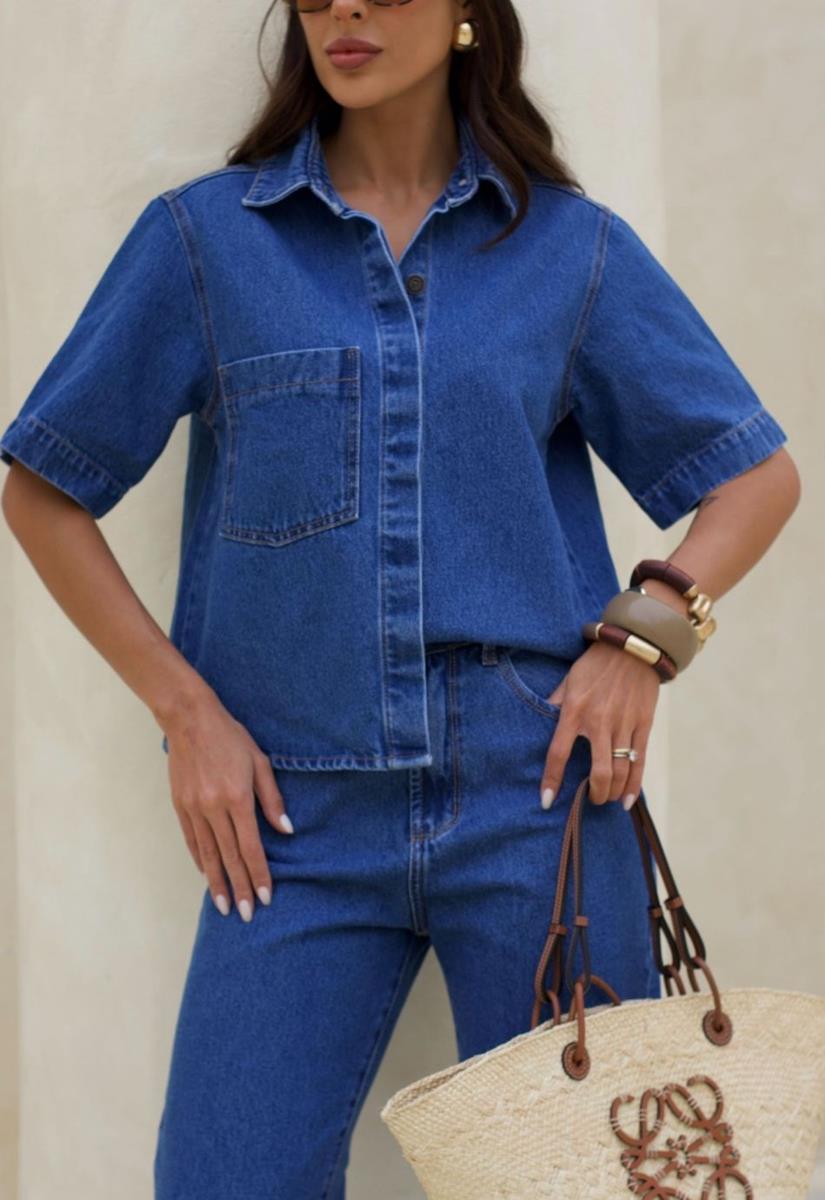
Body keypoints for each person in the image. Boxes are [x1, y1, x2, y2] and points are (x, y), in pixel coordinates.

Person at [0, 0, 800, 1196]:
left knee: (590, 1182)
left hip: (537, 798)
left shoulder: (566, 251)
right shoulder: (208, 244)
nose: (347, 8)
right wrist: (187, 713)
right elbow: (43, 489)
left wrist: (643, 643)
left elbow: (756, 478)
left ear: (468, 13)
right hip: (289, 820)